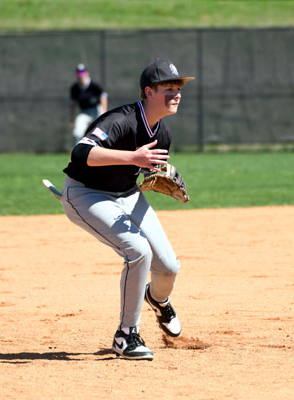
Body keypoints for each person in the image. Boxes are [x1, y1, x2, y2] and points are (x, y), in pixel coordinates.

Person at [61, 58, 194, 360]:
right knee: (138, 251)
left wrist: (158, 175)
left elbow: (145, 171)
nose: (177, 94)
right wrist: (133, 157)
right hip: (86, 193)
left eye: (178, 88)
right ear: (149, 92)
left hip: (127, 194)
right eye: (169, 88)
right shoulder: (119, 120)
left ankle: (156, 299)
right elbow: (81, 152)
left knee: (169, 267)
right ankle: (126, 335)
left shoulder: (163, 133)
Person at [69, 63, 108, 144]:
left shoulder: (94, 86)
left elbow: (103, 97)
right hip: (84, 112)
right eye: (79, 73)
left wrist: (103, 111)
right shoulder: (74, 88)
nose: (81, 75)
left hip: (96, 110)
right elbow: (73, 104)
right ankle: (79, 151)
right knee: (77, 133)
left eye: (83, 72)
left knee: (101, 133)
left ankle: (104, 149)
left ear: (87, 73)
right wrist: (71, 118)